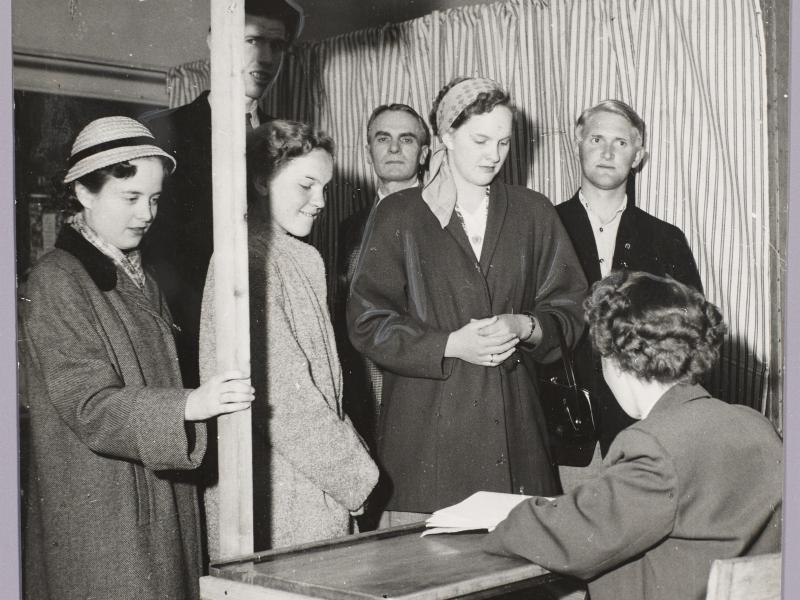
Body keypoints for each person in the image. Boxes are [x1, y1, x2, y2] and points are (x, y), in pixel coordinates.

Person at [20, 117, 255, 600]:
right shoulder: (57, 281)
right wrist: (188, 406)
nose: (146, 213)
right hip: (105, 524)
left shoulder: (134, 274)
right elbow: (89, 405)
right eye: (130, 198)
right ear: (84, 192)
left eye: (154, 198)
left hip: (149, 508)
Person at [347, 77, 588, 527]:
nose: (493, 155)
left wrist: (526, 326)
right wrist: (449, 344)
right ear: (445, 137)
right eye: (480, 140)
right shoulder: (399, 215)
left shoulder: (534, 212)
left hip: (517, 438)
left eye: (503, 142)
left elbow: (572, 308)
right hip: (425, 445)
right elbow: (367, 321)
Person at [484, 271, 782, 600]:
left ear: (616, 362)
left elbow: (578, 537)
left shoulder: (656, 445)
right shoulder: (757, 426)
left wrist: (505, 520)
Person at [200, 120, 379, 554]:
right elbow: (282, 400)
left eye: (325, 188)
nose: (319, 202)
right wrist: (359, 478)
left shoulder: (291, 255)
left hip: (305, 488)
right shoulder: (247, 261)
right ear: (261, 181)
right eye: (306, 185)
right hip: (278, 499)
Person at [141, 0, 304, 388]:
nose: (265, 58)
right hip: (186, 354)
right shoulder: (162, 135)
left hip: (271, 351)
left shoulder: (291, 143)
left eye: (276, 45)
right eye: (251, 40)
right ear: (215, 40)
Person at [555, 99, 703, 461]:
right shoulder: (543, 227)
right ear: (578, 144)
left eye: (620, 143)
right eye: (596, 140)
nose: (607, 152)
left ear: (638, 156)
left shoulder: (666, 238)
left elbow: (689, 339)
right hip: (560, 433)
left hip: (644, 437)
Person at [337, 103, 430, 453]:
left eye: (406, 139)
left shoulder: (445, 217)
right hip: (366, 393)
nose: (393, 149)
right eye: (382, 138)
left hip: (424, 388)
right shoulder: (350, 228)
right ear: (368, 151)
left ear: (423, 154)